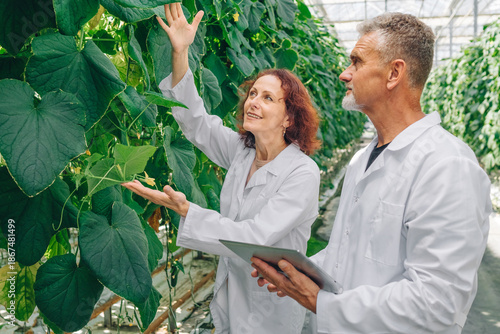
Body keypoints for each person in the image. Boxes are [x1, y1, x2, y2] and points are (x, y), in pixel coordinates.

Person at [251, 12, 492, 333]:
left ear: (394, 73)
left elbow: (437, 303)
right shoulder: (362, 160)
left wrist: (320, 301)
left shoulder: (447, 166)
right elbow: (349, 253)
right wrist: (297, 272)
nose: (344, 74)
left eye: (356, 62)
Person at [122, 3, 322, 333]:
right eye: (253, 93)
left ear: (289, 118)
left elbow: (257, 238)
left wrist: (189, 211)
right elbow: (195, 122)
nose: (253, 102)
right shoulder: (243, 152)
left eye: (268, 98)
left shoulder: (302, 173)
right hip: (231, 293)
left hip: (269, 308)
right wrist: (181, 52)